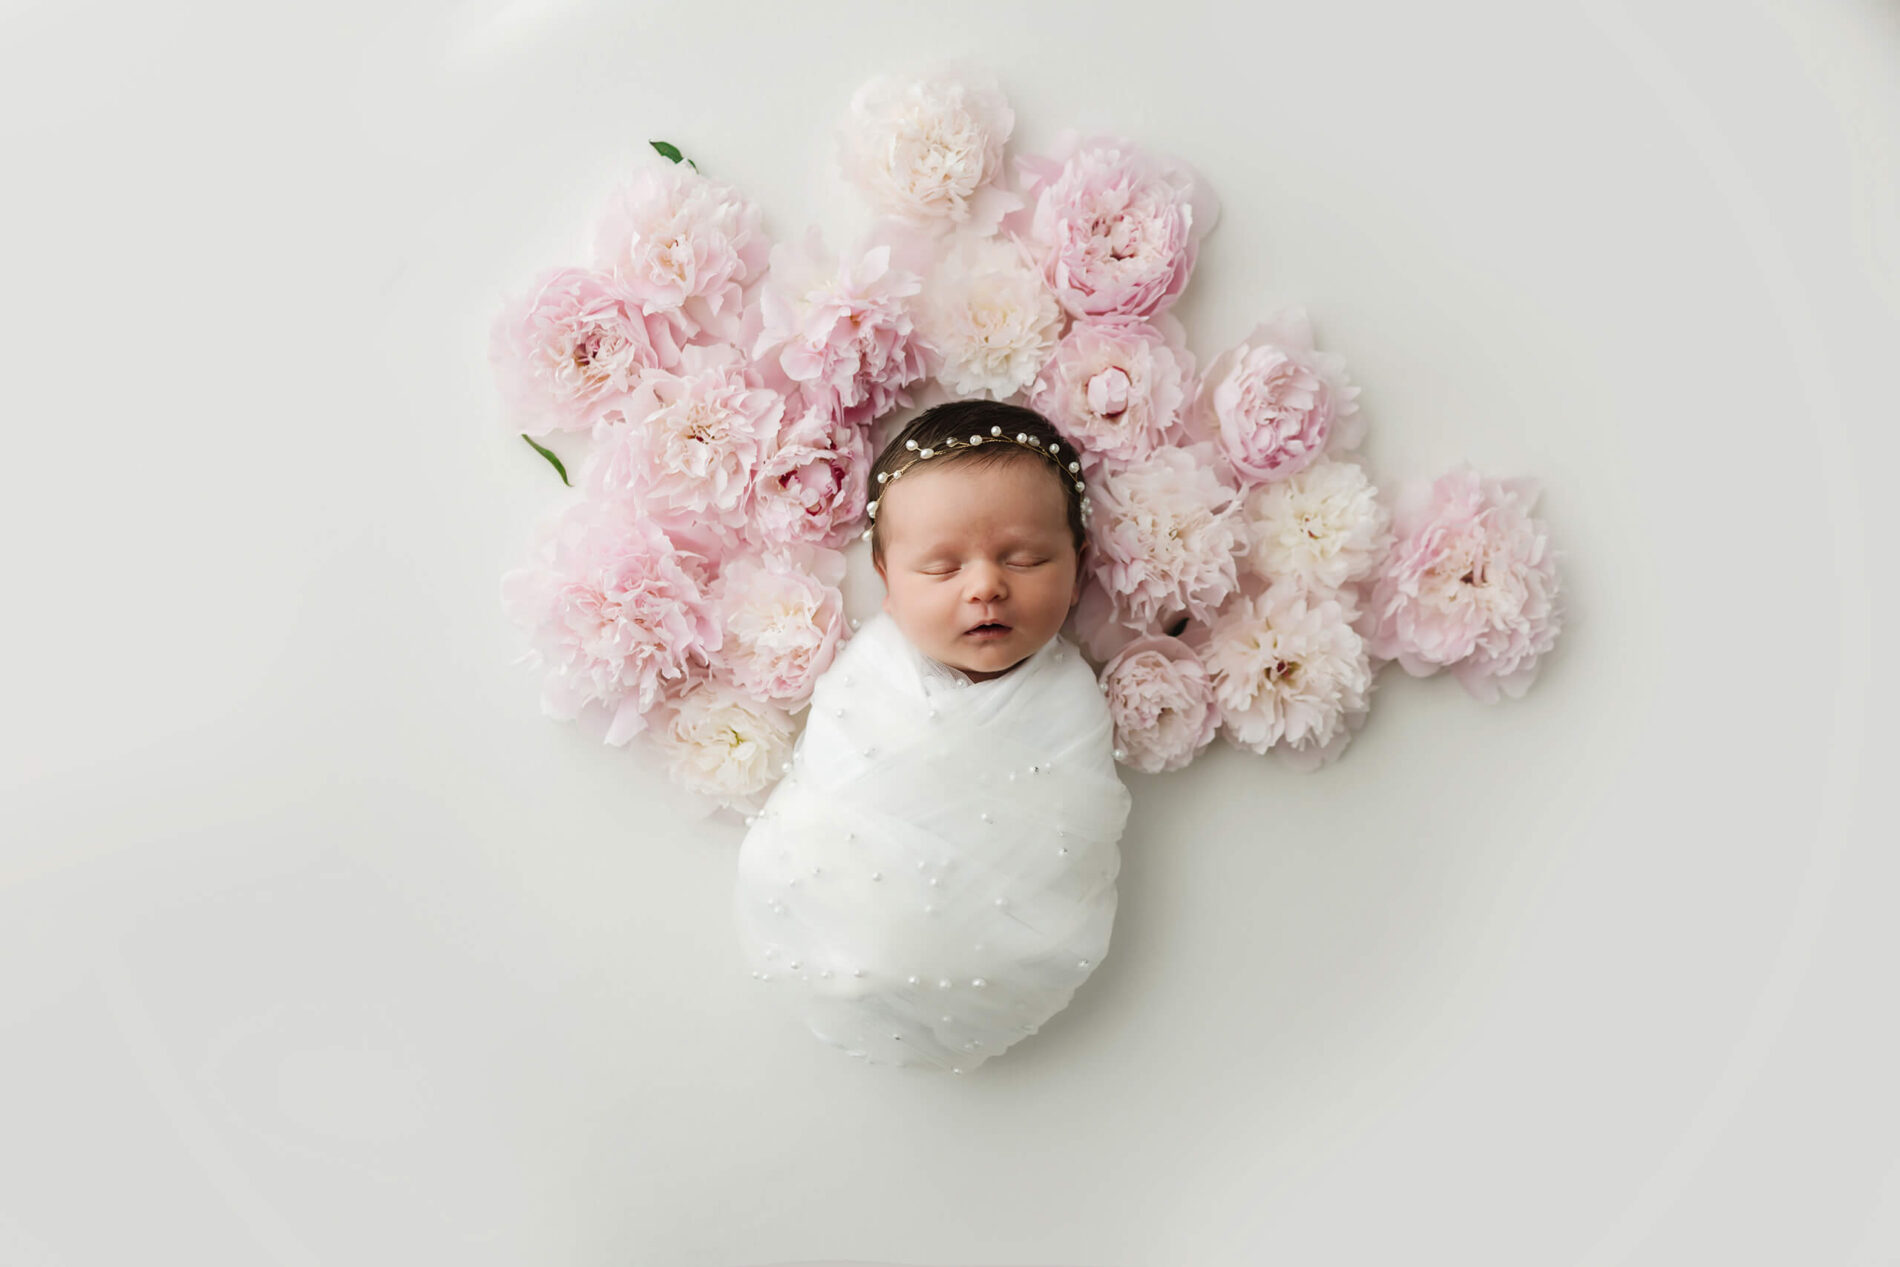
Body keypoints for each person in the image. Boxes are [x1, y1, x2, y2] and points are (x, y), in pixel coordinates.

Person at [732, 400, 1132, 1072]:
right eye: (943, 568)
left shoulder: (1072, 703)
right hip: (845, 946)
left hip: (1021, 964)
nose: (986, 586)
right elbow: (821, 813)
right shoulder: (867, 680)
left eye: (1026, 559)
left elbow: (1073, 840)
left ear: (1077, 567)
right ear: (887, 580)